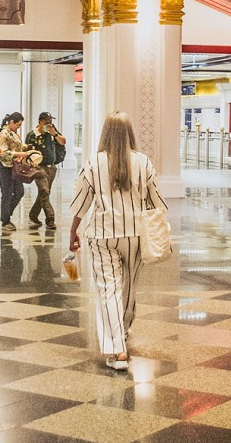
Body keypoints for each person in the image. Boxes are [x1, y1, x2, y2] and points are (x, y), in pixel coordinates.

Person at [69, 111, 166, 371]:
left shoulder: (93, 163)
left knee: (108, 290)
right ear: (130, 133)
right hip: (135, 235)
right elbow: (157, 202)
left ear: (105, 133)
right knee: (128, 289)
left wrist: (73, 232)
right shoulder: (143, 162)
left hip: (102, 235)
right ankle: (122, 333)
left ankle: (116, 349)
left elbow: (81, 204)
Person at [0, 112, 40, 233]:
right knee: (7, 194)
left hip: (14, 167)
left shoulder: (13, 133)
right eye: (18, 125)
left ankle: (5, 214)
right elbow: (2, 153)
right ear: (11, 122)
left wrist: (28, 148)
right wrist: (20, 154)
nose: (19, 127)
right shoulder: (4, 134)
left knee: (19, 192)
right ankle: (5, 221)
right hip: (4, 167)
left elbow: (18, 146)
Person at [25, 112, 66, 229]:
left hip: (51, 167)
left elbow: (63, 142)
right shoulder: (32, 135)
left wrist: (55, 133)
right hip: (38, 168)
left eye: (50, 121)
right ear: (39, 122)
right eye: (46, 121)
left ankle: (33, 215)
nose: (48, 123)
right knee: (44, 191)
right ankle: (50, 219)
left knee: (44, 193)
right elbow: (27, 152)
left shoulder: (53, 132)